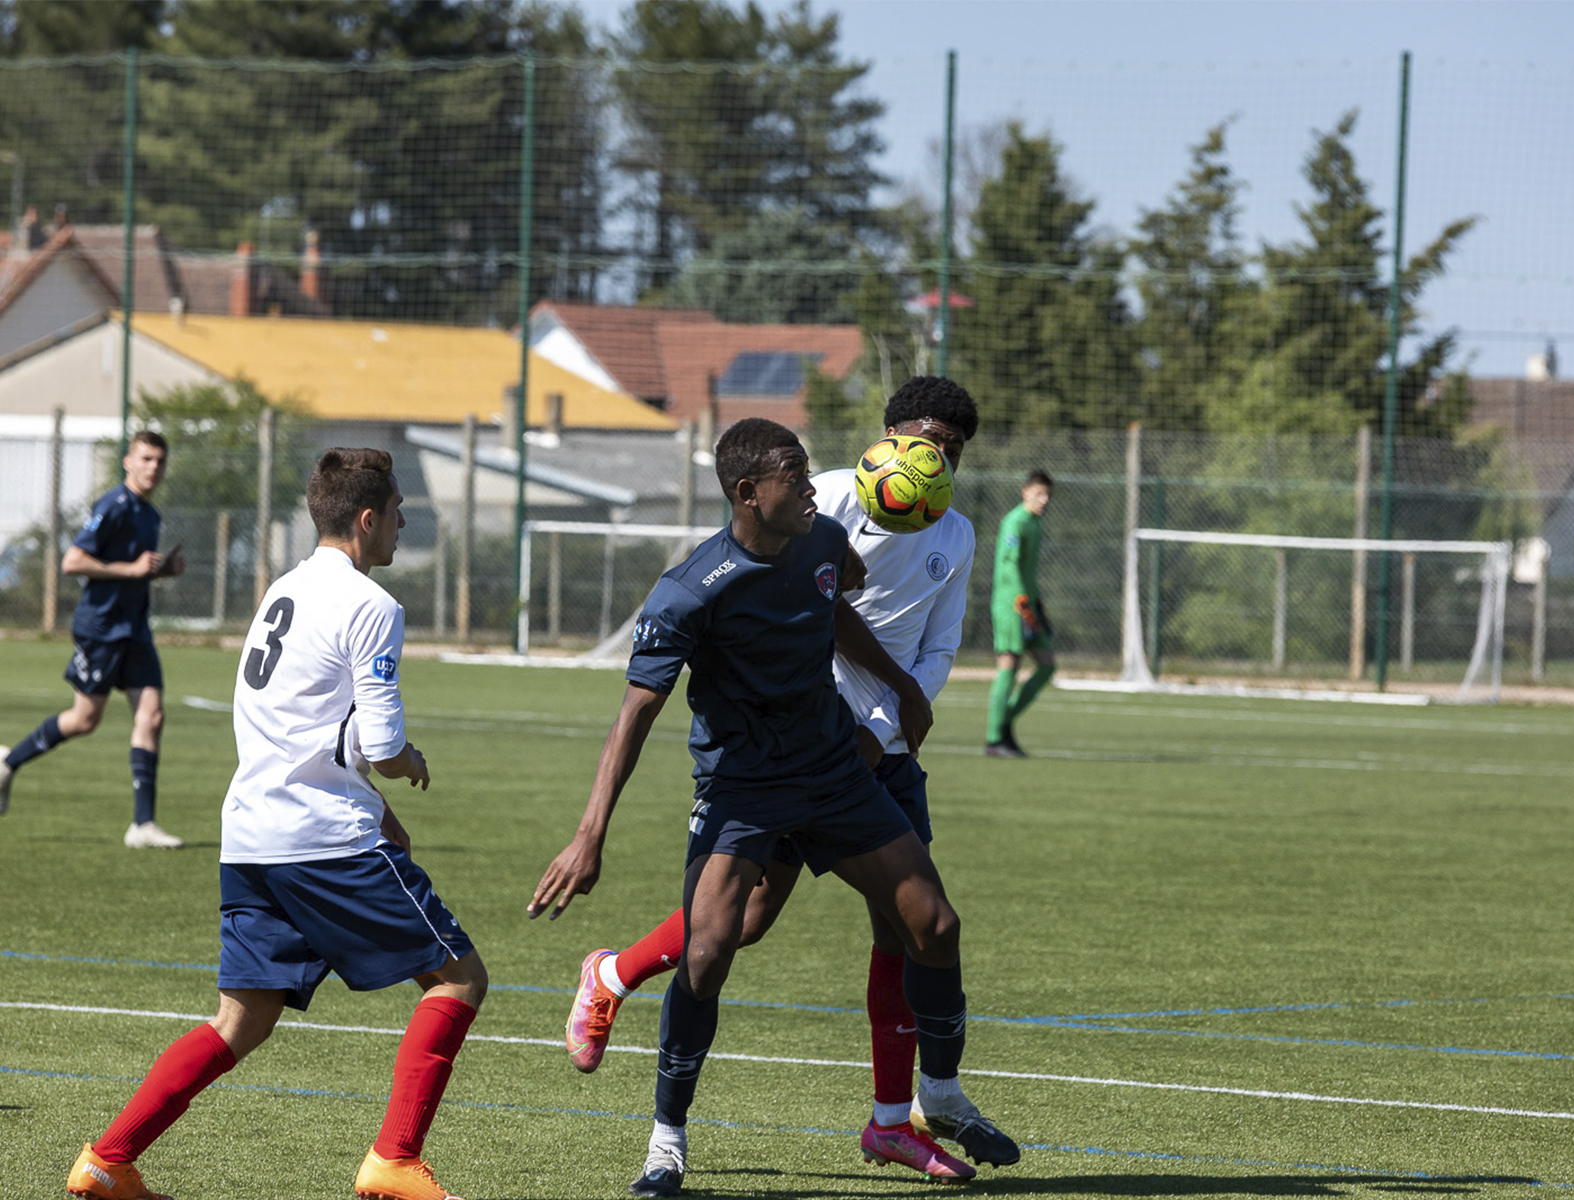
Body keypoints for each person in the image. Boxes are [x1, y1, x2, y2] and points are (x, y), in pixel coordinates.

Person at [559, 378, 1019, 1182]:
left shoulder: (914, 530)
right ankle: (653, 1090)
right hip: (758, 772)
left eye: (948, 449)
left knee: (922, 927)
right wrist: (589, 832)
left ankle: (909, 1110)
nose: (930, 459)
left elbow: (854, 611)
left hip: (859, 757)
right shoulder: (812, 510)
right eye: (920, 440)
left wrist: (895, 707)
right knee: (725, 939)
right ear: (884, 440)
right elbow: (642, 708)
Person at [66, 448, 486, 1200]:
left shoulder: (281, 591)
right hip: (322, 841)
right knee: (457, 978)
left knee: (241, 1021)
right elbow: (383, 743)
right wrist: (405, 765)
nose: (401, 521)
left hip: (252, 835)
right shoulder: (371, 605)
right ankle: (393, 1159)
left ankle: (107, 1159)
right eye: (396, 510)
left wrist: (375, 803)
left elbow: (299, 720)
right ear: (366, 518)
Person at [0, 430, 187, 846]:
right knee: (85, 719)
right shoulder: (114, 505)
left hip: (135, 629)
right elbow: (73, 560)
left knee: (152, 716)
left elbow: (138, 569)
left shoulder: (150, 514)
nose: (153, 467)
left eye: (159, 460)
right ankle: (8, 762)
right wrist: (133, 569)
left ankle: (142, 825)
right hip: (101, 628)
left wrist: (163, 570)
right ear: (128, 461)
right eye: (146, 459)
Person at [986, 469, 1055, 757]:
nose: (1045, 500)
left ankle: (1005, 721)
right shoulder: (1015, 522)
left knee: (1047, 665)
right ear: (1025, 491)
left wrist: (1038, 606)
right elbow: (1010, 566)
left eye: (1048, 495)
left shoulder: (1035, 524)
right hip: (1011, 604)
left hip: (1029, 604)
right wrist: (1022, 602)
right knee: (1009, 666)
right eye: (1039, 493)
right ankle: (994, 739)